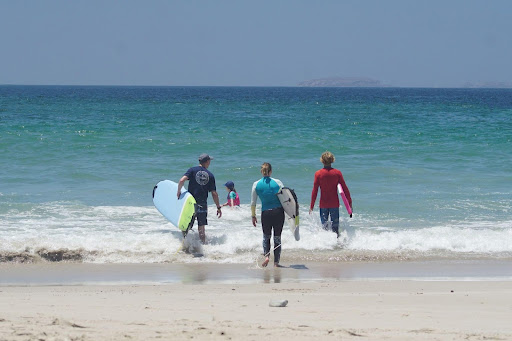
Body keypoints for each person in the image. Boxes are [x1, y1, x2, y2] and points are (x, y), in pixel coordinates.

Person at [177, 153, 222, 244]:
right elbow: (214, 193)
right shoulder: (210, 175)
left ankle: (185, 244)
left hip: (190, 203)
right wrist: (218, 207)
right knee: (201, 227)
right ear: (207, 162)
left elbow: (182, 180)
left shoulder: (192, 170)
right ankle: (202, 246)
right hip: (202, 203)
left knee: (186, 225)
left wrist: (178, 191)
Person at [309, 151, 352, 238]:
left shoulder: (318, 174)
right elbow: (345, 189)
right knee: (335, 229)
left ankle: (326, 246)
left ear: (322, 160)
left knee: (324, 227)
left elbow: (315, 191)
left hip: (323, 204)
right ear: (332, 160)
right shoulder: (337, 173)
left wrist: (311, 206)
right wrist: (349, 203)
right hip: (334, 204)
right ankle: (336, 245)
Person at [251, 162, 285, 267]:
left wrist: (253, 216)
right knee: (277, 238)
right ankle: (276, 262)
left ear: (261, 171)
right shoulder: (278, 182)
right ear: (271, 171)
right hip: (278, 212)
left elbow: (253, 203)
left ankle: (266, 257)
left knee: (266, 237)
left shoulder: (256, 184)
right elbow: (285, 199)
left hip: (265, 213)